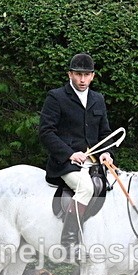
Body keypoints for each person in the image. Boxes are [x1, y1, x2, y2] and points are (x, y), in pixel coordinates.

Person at [39, 53, 114, 257]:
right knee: (86, 188)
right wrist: (70, 154)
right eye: (78, 75)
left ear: (93, 76)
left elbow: (105, 133)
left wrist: (106, 152)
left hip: (94, 163)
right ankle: (70, 240)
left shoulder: (97, 99)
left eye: (86, 75)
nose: (82, 80)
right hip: (65, 164)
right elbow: (46, 132)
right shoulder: (56, 97)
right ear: (70, 74)